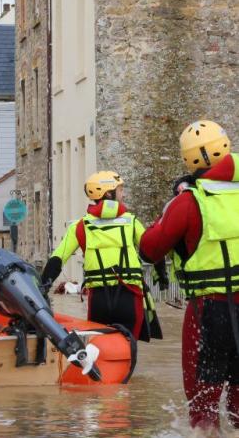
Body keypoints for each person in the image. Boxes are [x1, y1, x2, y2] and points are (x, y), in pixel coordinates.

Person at [139, 120, 239, 431]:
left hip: (209, 311)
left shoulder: (187, 202)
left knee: (203, 402)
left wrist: (174, 202)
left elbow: (149, 249)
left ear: (189, 159)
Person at [40, 171, 165, 342]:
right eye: (120, 190)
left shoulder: (80, 226)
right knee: (128, 348)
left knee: (99, 348)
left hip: (99, 299)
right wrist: (162, 274)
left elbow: (58, 258)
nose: (124, 193)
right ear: (108, 193)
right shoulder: (131, 221)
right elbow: (152, 248)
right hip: (129, 297)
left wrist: (42, 288)